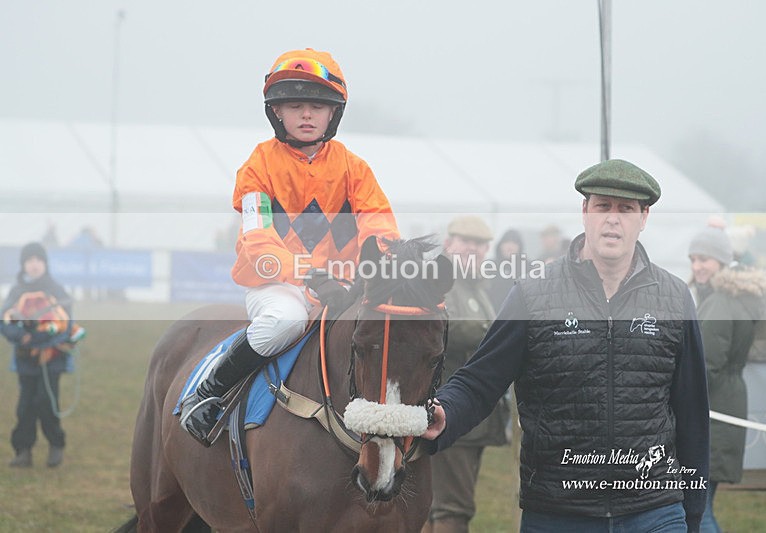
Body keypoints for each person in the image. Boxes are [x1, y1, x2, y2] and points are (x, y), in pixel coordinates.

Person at [423, 159, 710, 532]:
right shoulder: (533, 293)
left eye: (626, 209)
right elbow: (480, 380)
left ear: (644, 217)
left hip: (653, 510)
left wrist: (692, 513)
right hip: (558, 511)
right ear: (585, 212)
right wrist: (446, 411)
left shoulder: (674, 298)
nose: (613, 218)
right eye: (603, 206)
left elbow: (692, 412)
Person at [180, 48, 400, 447]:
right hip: (277, 285)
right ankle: (209, 390)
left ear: (334, 113)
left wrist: (373, 270)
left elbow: (379, 226)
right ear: (276, 112)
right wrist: (309, 275)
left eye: (317, 106)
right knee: (285, 321)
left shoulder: (355, 169)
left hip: (344, 287)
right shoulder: (257, 167)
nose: (306, 115)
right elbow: (258, 237)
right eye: (294, 105)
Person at [424, 216, 511, 533]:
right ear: (449, 244)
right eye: (466, 242)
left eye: (480, 244)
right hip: (448, 410)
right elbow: (442, 329)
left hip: (470, 417)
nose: (473, 250)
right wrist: (499, 335)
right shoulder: (440, 283)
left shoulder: (476, 286)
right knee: (451, 509)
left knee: (441, 506)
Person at [687, 227, 766, 533]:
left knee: (697, 510)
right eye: (693, 259)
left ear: (722, 262)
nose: (697, 266)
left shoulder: (721, 301)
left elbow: (705, 366)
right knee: (701, 505)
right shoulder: (737, 297)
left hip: (714, 412)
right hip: (727, 405)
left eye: (705, 259)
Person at [1, 242, 82, 468]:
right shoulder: (16, 291)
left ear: (45, 263)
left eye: (38, 260)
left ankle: (56, 445)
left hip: (52, 359)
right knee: (25, 404)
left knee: (46, 401)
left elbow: (66, 323)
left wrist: (43, 339)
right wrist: (20, 337)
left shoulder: (56, 290)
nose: (34, 265)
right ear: (23, 264)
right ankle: (23, 450)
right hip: (25, 359)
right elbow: (5, 320)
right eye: (29, 260)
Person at [487, 228, 526, 311]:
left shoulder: (527, 268)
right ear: (500, 245)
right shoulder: (489, 267)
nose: (510, 246)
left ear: (519, 247)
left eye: (514, 243)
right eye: (507, 242)